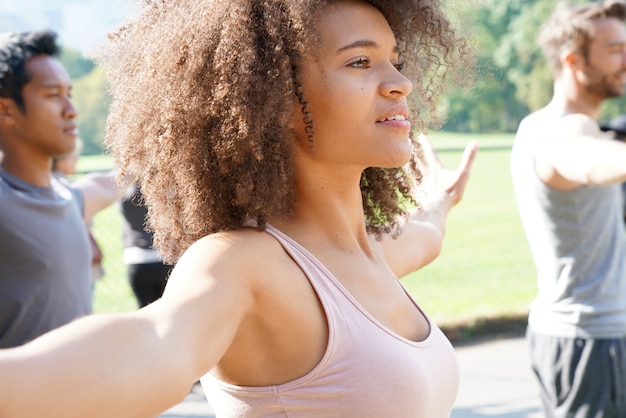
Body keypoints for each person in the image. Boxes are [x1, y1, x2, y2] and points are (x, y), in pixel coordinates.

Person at [0, 1, 477, 417]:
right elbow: (154, 346)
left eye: (393, 60)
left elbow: (424, 236)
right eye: (360, 61)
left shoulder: (366, 256)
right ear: (272, 97)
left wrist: (439, 203)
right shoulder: (241, 264)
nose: (400, 83)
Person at [510, 1, 626, 416]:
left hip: (577, 337)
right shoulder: (564, 130)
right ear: (574, 60)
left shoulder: (536, 124)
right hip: (594, 342)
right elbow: (585, 159)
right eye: (615, 49)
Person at [0, 30, 118, 349]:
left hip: (84, 396)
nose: (71, 109)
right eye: (53, 95)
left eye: (70, 93)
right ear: (6, 111)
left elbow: (106, 185)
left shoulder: (68, 198)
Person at [121, 183, 173, 307]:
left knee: (145, 308)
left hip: (138, 258)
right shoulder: (163, 189)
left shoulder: (125, 192)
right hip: (164, 256)